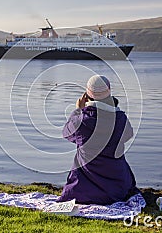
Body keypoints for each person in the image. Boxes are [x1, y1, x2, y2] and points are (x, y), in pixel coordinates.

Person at [57, 75, 140, 205]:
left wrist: (78, 110)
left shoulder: (82, 121)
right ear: (109, 91)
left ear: (87, 94)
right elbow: (128, 134)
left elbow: (66, 132)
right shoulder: (120, 119)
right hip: (117, 188)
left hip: (84, 189)